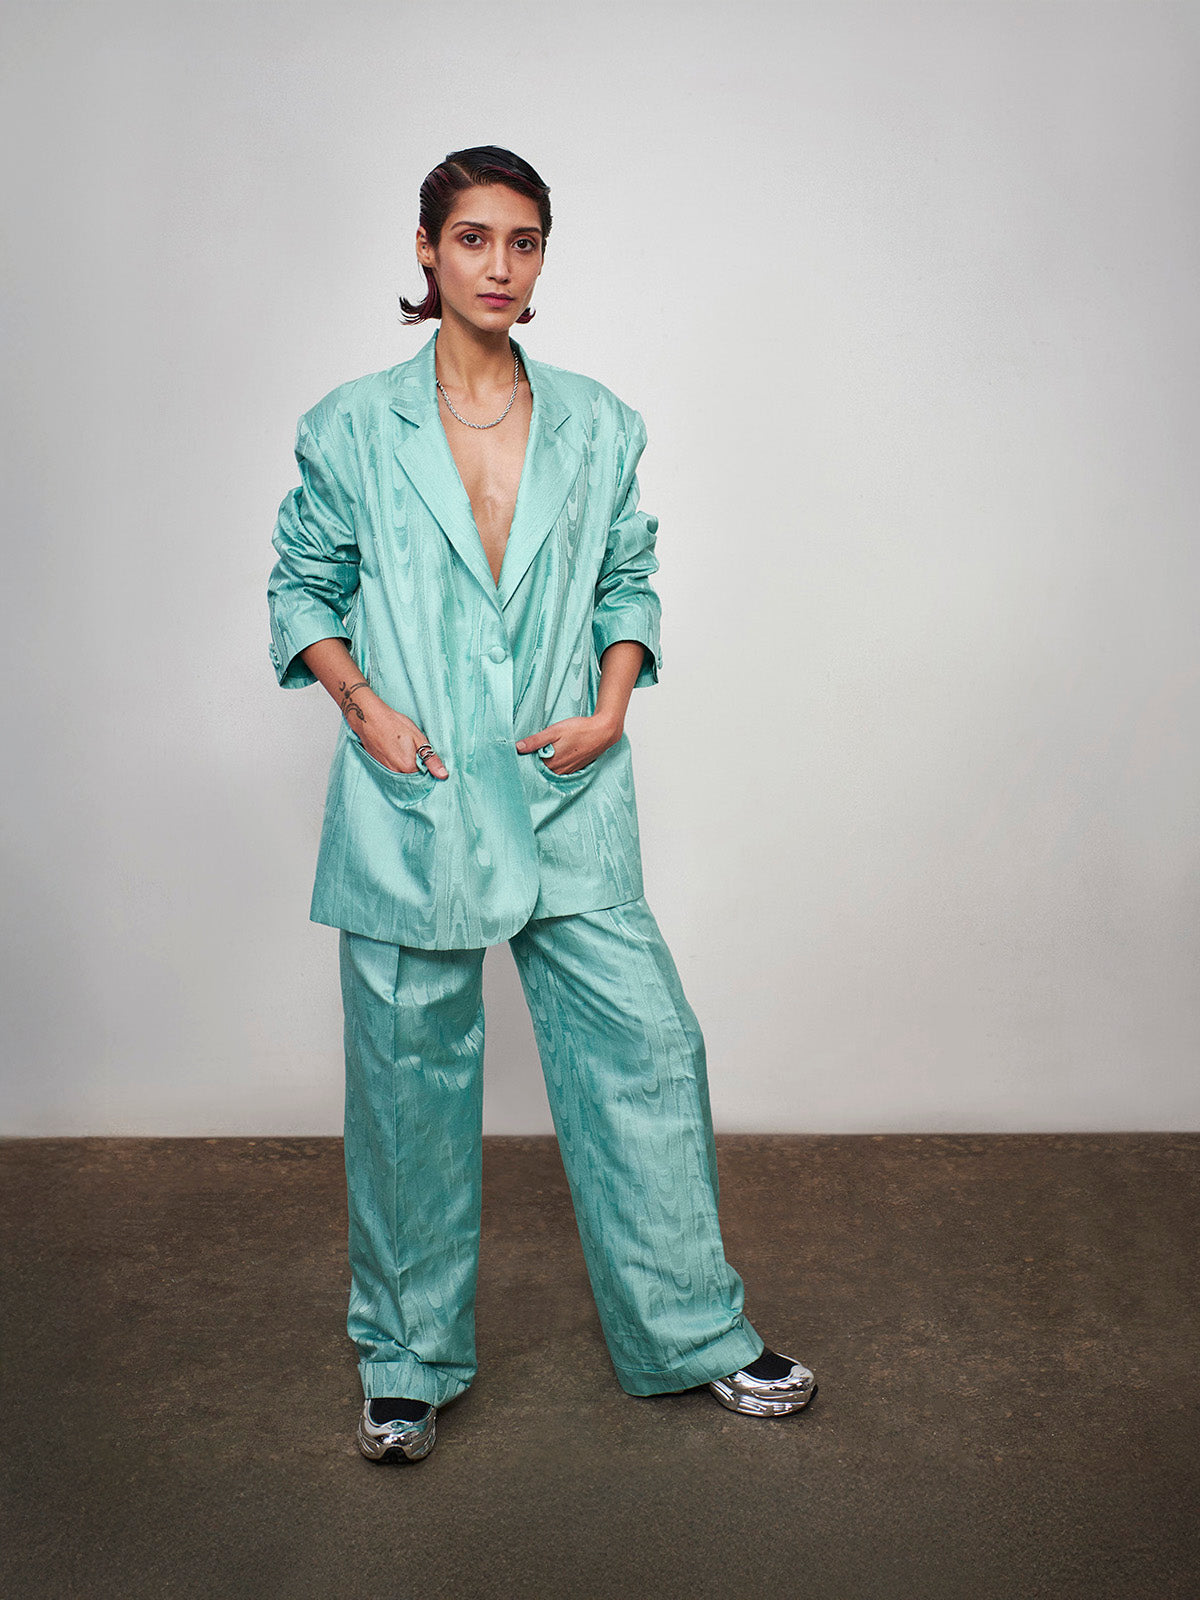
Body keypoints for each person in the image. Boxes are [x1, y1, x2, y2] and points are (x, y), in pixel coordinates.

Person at [266, 146, 817, 1465]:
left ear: (542, 257)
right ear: (426, 250)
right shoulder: (353, 425)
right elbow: (301, 585)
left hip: (566, 787)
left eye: (522, 242)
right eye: (472, 238)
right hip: (417, 795)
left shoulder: (600, 423)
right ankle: (406, 1364)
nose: (498, 266)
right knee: (408, 1092)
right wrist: (365, 708)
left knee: (649, 1051)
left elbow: (629, 574)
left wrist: (615, 701)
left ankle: (692, 1329)